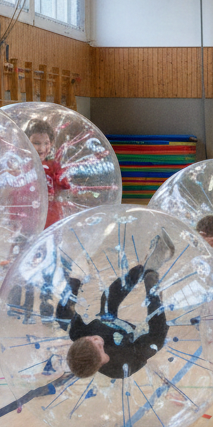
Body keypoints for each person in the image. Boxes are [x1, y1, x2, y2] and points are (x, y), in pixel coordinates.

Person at [55, 233, 174, 379]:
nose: (97, 339)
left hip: (108, 323)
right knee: (156, 332)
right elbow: (156, 339)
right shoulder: (122, 365)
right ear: (101, 361)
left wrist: (76, 279)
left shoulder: (78, 335)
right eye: (99, 346)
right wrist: (153, 293)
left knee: (107, 299)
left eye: (90, 338)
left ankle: (143, 269)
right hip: (133, 339)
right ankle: (151, 275)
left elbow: (62, 315)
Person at [27, 120, 71, 228]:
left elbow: (64, 189)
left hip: (50, 218)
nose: (42, 148)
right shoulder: (22, 166)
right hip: (27, 217)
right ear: (26, 142)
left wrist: (63, 181)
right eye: (36, 143)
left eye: (46, 143)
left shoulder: (54, 167)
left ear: (51, 143)